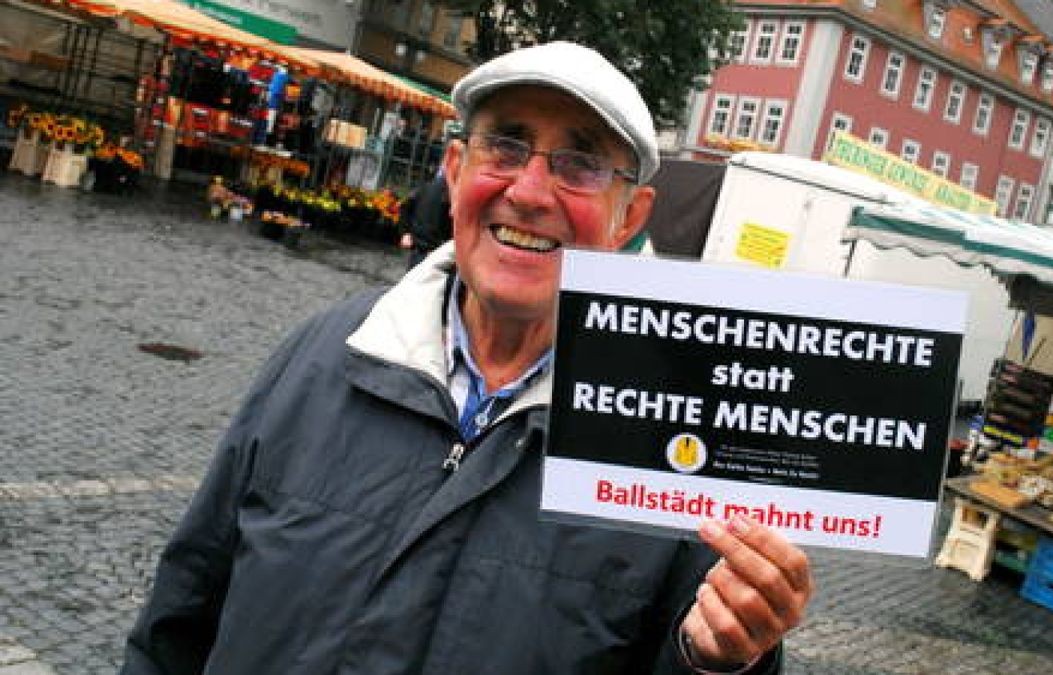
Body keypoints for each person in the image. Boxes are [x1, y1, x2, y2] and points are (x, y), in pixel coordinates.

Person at [121, 42, 810, 674]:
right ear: (455, 171)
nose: (531, 191)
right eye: (505, 147)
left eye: (580, 163)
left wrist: (719, 660)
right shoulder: (319, 356)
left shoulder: (677, 447)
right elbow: (176, 623)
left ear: (629, 218)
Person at [399, 171, 453, 268]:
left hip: (419, 249)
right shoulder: (450, 195)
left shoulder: (424, 188)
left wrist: (405, 232)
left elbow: (404, 207)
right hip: (435, 251)